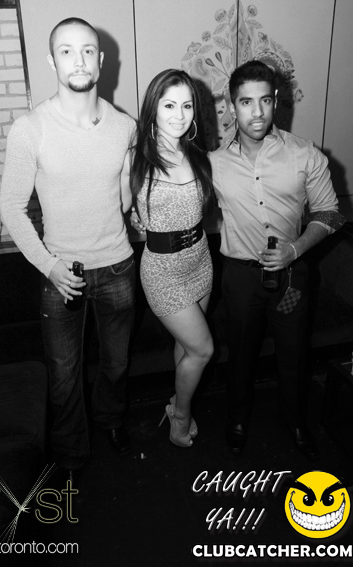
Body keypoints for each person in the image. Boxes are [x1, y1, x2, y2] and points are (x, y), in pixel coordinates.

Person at [0, 17, 136, 484]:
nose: (78, 61)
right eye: (66, 51)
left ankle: (111, 421)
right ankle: (72, 452)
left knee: (117, 364)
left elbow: (124, 202)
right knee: (63, 375)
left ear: (101, 60)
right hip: (61, 272)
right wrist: (50, 266)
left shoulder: (125, 127)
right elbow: (11, 208)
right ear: (51, 61)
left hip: (117, 267)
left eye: (87, 51)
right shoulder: (30, 128)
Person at [210, 60, 345, 459]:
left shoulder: (305, 154)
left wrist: (294, 250)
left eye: (265, 101)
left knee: (293, 353)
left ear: (275, 101)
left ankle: (296, 421)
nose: (257, 112)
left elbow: (330, 214)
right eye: (246, 102)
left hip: (291, 280)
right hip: (240, 279)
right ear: (231, 106)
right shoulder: (213, 163)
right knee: (240, 354)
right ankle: (237, 419)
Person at [128, 69, 214, 447]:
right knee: (203, 349)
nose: (179, 115)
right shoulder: (136, 158)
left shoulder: (197, 153)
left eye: (187, 105)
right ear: (153, 109)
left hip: (201, 262)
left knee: (185, 346)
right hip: (163, 271)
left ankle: (175, 403)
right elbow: (113, 208)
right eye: (169, 105)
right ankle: (181, 417)